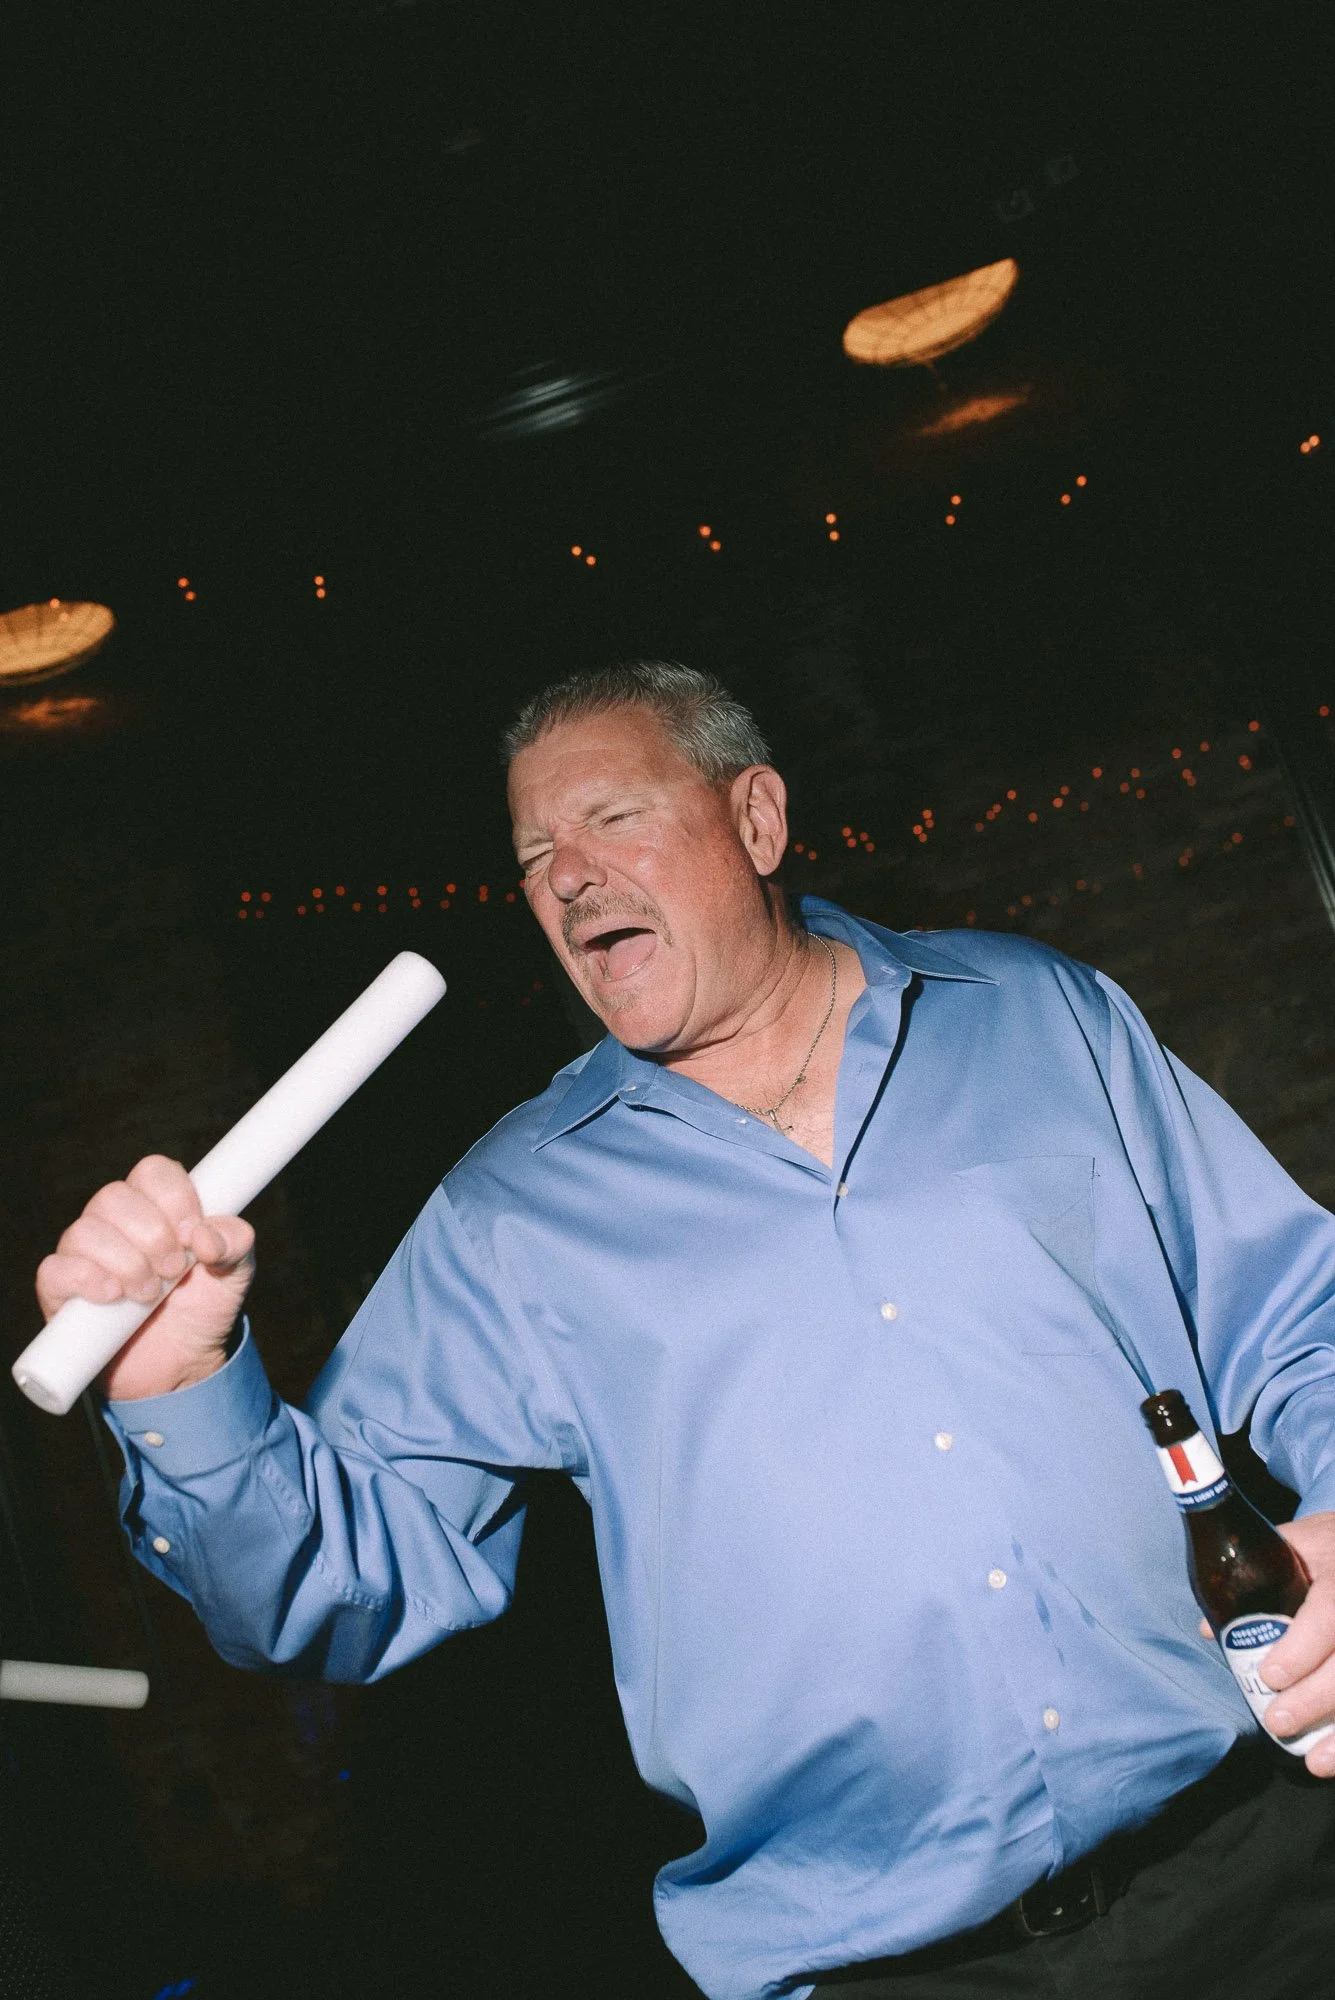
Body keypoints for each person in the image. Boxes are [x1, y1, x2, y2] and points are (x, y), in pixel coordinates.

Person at [35, 662, 1335, 2000]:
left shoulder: (1036, 1017)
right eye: (535, 852)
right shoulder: (513, 1213)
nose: (568, 877)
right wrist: (181, 1386)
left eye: (611, 817)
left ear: (756, 820)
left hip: (1264, 1866)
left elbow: (1300, 1317)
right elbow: (324, 1596)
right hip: (901, 1975)